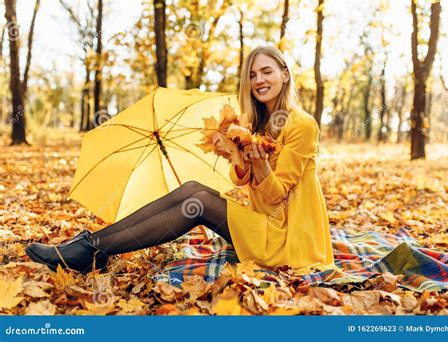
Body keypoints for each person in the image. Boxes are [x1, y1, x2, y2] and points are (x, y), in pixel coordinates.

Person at [25, 46, 334, 274]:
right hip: (263, 224)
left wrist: (262, 164)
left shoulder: (302, 125)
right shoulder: (252, 124)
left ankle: (91, 249)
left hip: (287, 241)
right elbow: (241, 180)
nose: (259, 80)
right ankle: (92, 245)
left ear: (285, 74)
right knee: (192, 190)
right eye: (252, 75)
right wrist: (238, 154)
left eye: (267, 71)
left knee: (198, 203)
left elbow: (278, 195)